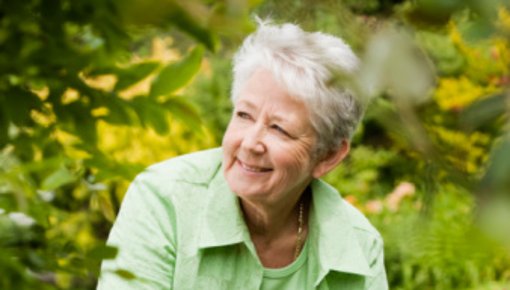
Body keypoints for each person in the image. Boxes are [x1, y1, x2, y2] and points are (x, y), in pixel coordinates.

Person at [97, 19, 388, 290]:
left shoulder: (359, 247)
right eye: (244, 115)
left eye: (279, 129)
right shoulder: (163, 200)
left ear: (328, 156)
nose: (250, 143)